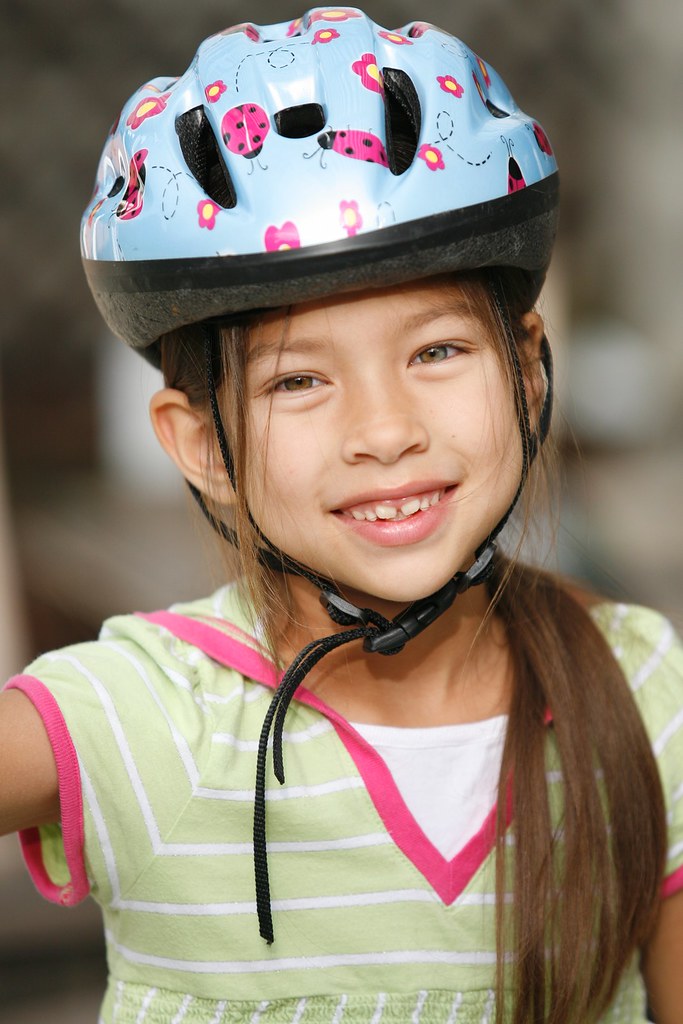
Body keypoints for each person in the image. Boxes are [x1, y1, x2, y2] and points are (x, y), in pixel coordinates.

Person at [1, 9, 682, 1023]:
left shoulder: (642, 693)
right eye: (298, 381)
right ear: (201, 446)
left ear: (528, 374)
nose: (383, 431)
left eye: (436, 352)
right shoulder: (145, 712)